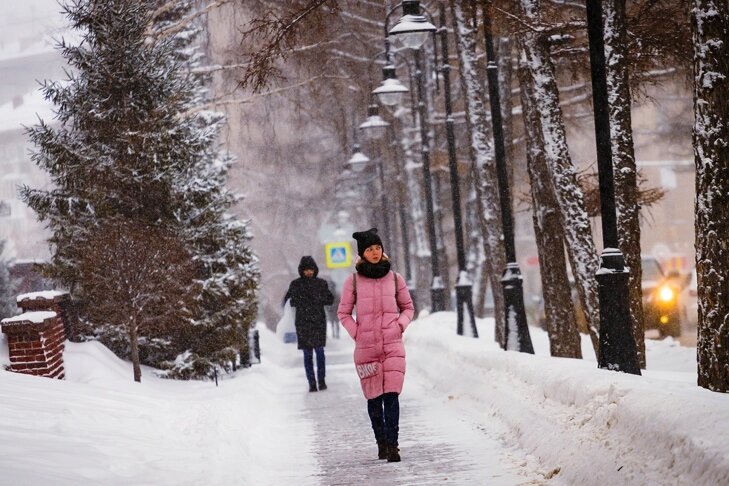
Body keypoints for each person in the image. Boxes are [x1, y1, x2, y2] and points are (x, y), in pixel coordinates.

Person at [337, 228, 414, 463]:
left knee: (392, 396)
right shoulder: (353, 282)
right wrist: (358, 333)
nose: (374, 252)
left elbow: (408, 308)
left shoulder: (395, 279)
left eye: (378, 248)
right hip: (367, 348)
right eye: (369, 249)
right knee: (374, 399)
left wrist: (399, 325)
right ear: (362, 253)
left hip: (392, 345)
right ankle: (381, 442)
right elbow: (343, 313)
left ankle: (393, 445)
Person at [284, 256, 334, 392]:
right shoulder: (296, 284)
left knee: (320, 352)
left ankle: (321, 380)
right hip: (303, 324)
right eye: (306, 270)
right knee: (307, 355)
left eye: (311, 269)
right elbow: (288, 301)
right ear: (302, 270)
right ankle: (312, 383)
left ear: (315, 269)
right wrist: (302, 300)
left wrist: (318, 299)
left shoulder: (321, 283)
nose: (309, 272)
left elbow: (330, 299)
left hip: (318, 323)